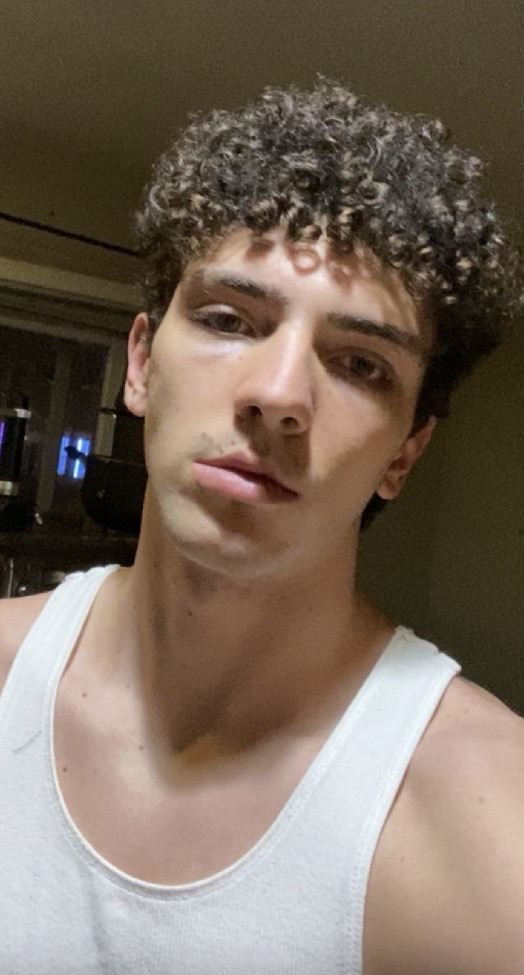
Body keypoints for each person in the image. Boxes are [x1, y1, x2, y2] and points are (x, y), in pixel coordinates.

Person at [0, 80, 522, 974]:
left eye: (360, 364)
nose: (278, 394)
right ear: (139, 365)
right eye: (227, 319)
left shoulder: (488, 832)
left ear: (406, 451)